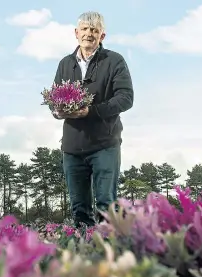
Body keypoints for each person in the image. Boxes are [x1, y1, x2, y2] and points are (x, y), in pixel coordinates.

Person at [51, 11, 134, 227]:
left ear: (102, 36)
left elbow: (126, 98)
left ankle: (109, 253)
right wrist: (57, 110)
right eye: (85, 29)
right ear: (76, 33)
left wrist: (91, 111)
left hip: (104, 145)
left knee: (106, 206)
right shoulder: (65, 64)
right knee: (79, 209)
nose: (89, 34)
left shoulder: (114, 61)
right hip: (72, 147)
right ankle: (83, 254)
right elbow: (54, 99)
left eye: (95, 30)